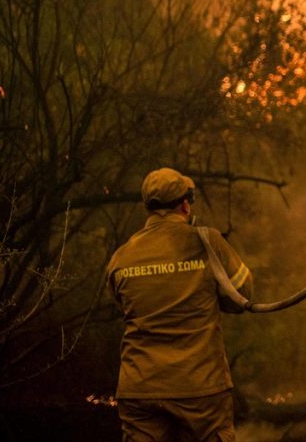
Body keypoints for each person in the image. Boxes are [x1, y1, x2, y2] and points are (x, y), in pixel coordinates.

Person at [106, 167, 253, 442]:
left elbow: (124, 306)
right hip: (201, 389)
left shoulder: (121, 257)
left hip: (140, 389)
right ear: (185, 204)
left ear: (148, 208)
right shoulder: (208, 242)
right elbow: (243, 295)